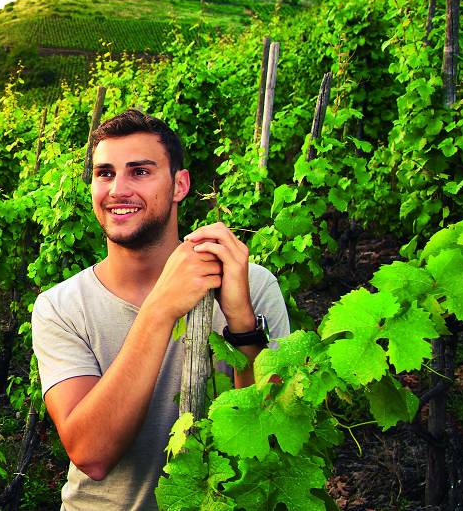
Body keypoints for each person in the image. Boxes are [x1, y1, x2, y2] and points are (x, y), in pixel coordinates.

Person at [31, 109, 289, 510]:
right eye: (105, 173)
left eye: (140, 171)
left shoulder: (253, 285)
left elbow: (277, 436)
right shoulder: (60, 308)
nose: (118, 189)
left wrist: (242, 321)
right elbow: (91, 453)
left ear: (179, 185)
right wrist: (159, 310)